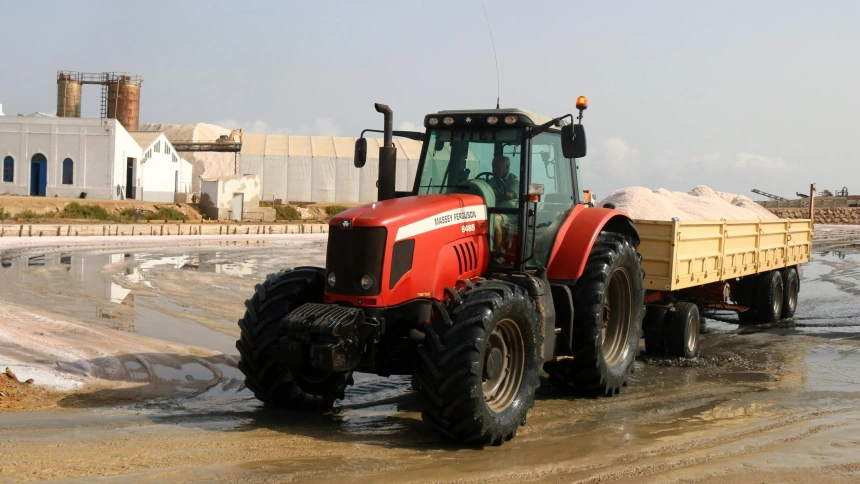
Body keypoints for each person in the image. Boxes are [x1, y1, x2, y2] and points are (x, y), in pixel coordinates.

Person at [487, 156, 519, 257]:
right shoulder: (491, 181)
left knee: (494, 220)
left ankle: (497, 252)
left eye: (498, 167)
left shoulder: (514, 180)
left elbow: (510, 195)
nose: (495, 169)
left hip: (510, 214)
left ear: (507, 167)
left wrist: (493, 192)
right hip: (492, 210)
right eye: (493, 166)